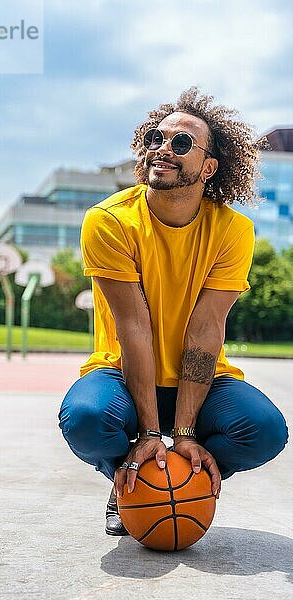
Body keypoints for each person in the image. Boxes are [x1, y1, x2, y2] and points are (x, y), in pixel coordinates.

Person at [58, 87, 288, 536]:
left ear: (208, 167)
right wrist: (148, 433)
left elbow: (205, 329)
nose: (162, 149)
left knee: (264, 431)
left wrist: (183, 433)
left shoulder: (233, 230)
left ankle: (180, 478)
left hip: (199, 376)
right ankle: (132, 482)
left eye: (180, 143)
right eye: (155, 139)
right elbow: (134, 326)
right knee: (86, 419)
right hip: (123, 370)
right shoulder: (108, 220)